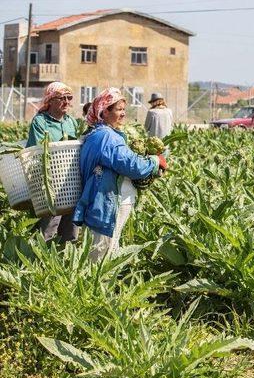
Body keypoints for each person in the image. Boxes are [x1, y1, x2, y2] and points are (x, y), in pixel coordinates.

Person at [73, 88, 167, 260]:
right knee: (101, 256)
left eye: (124, 109)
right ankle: (99, 285)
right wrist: (154, 161)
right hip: (107, 203)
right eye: (118, 110)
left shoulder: (96, 133)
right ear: (104, 111)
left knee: (107, 249)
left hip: (101, 203)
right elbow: (131, 165)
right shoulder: (107, 136)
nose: (123, 114)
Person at [26, 81, 79, 243]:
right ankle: (41, 260)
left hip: (70, 181)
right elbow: (37, 151)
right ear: (50, 100)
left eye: (69, 97)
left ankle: (65, 259)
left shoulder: (71, 122)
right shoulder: (40, 122)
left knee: (71, 225)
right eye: (62, 98)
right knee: (50, 223)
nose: (67, 102)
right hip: (50, 182)